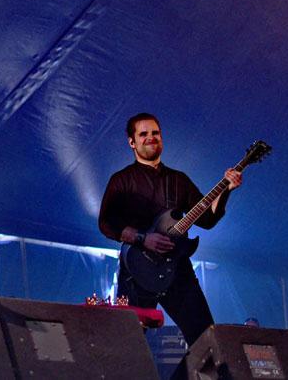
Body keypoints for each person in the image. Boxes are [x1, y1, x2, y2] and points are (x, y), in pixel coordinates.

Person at [98, 112, 242, 346]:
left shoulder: (179, 180)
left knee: (207, 342)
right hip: (137, 271)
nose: (151, 137)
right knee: (127, 345)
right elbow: (106, 223)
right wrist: (143, 238)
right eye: (143, 134)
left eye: (155, 133)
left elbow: (207, 219)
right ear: (132, 142)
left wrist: (226, 190)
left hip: (177, 271)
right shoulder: (121, 180)